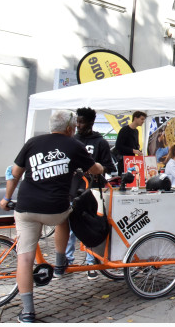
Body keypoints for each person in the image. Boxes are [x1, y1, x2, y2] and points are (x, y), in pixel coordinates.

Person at [0, 110, 104, 323]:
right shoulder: (74, 145)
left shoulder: (32, 143)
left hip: (26, 208)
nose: (75, 129)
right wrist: (100, 168)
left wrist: (6, 198)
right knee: (65, 217)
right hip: (55, 209)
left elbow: (15, 173)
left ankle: (27, 312)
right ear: (69, 128)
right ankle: (59, 264)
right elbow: (94, 168)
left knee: (25, 257)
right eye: (73, 126)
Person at [65, 107, 115, 280]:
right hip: (72, 189)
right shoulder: (71, 139)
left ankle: (90, 262)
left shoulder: (100, 142)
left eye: (81, 122)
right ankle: (68, 260)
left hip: (92, 191)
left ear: (91, 123)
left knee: (88, 226)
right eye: (76, 121)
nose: (78, 125)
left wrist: (96, 171)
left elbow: (108, 166)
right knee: (70, 228)